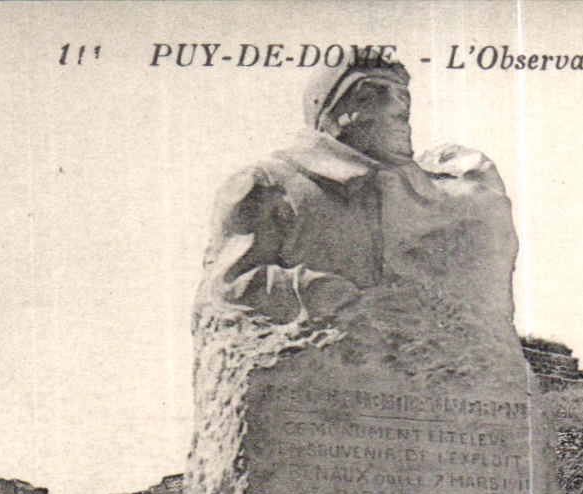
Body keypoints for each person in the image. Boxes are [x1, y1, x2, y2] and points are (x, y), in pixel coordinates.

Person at [195, 56, 516, 338]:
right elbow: (231, 286)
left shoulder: (419, 191)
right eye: (374, 94)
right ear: (333, 113)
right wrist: (345, 299)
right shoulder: (269, 183)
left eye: (402, 95)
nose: (398, 107)